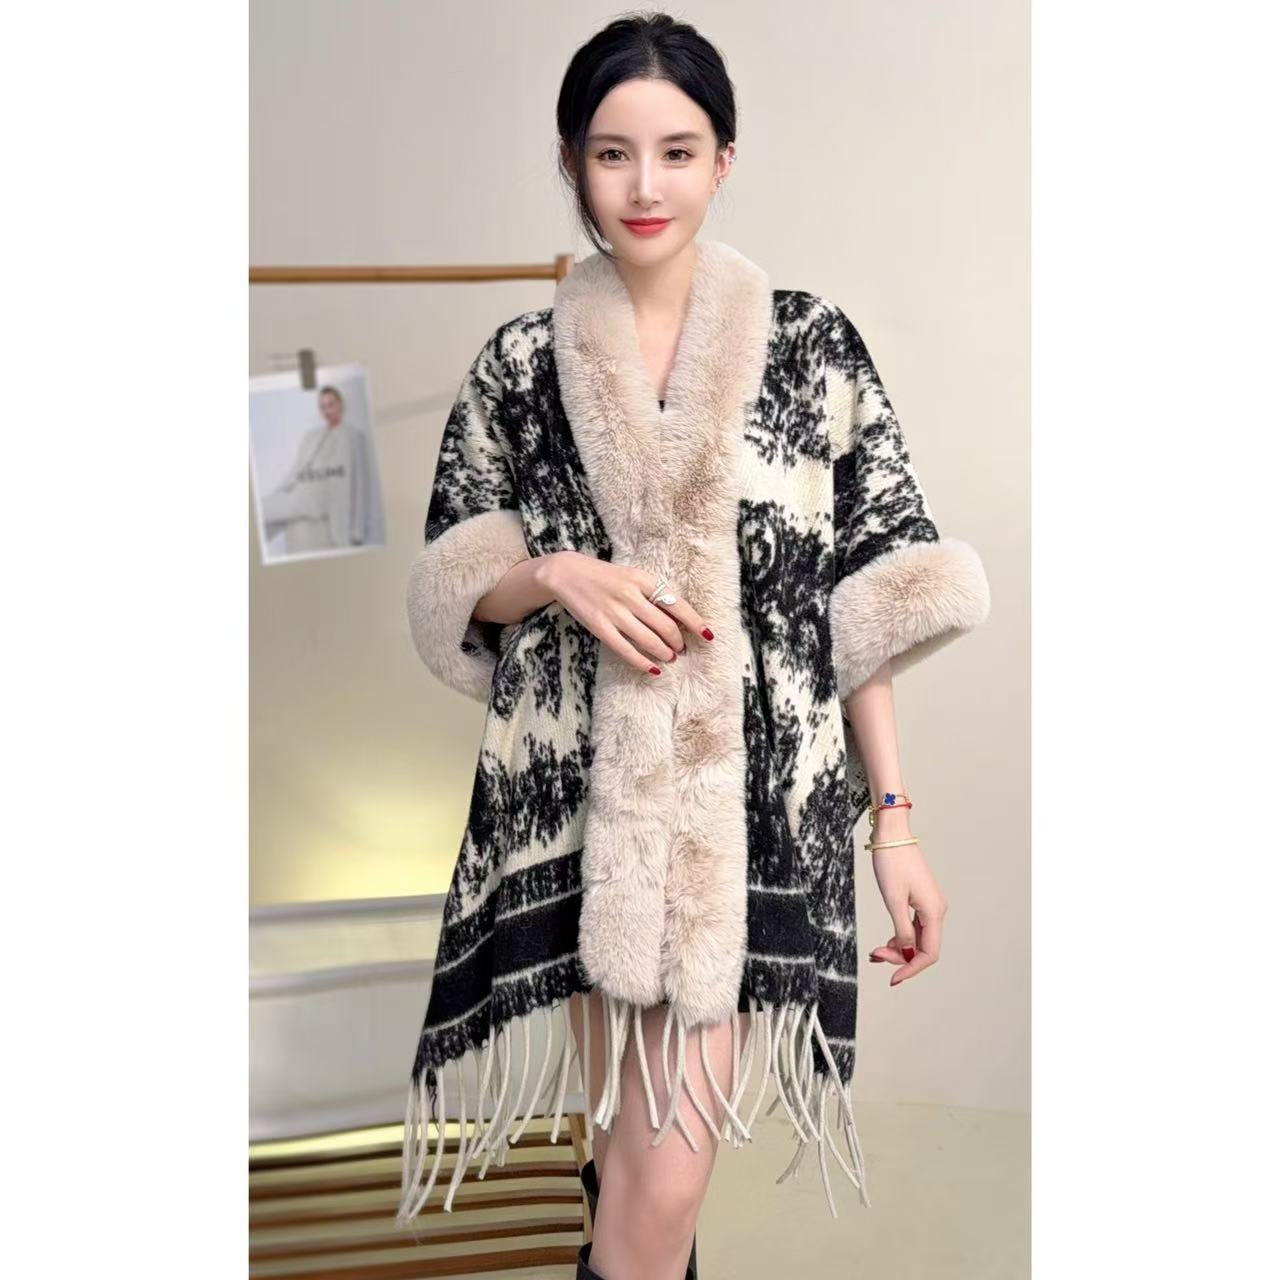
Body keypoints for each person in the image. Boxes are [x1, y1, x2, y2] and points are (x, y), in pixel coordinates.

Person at [397, 13, 991, 1279]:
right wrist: (554, 573)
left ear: (724, 159)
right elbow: (456, 582)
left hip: (754, 807)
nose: (644, 185)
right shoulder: (518, 366)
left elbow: (861, 603)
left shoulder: (812, 347)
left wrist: (893, 824)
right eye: (611, 153)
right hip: (576, 807)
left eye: (676, 151)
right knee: (633, 1169)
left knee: (656, 1179)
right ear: (571, 161)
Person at [260, 384, 370, 553]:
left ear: (340, 404)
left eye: (331, 405)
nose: (327, 411)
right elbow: (296, 469)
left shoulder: (354, 437)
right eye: (323, 407)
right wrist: (277, 493)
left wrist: (358, 532)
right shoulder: (311, 436)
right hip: (300, 491)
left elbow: (360, 484)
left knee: (262, 510)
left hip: (321, 497)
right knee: (265, 521)